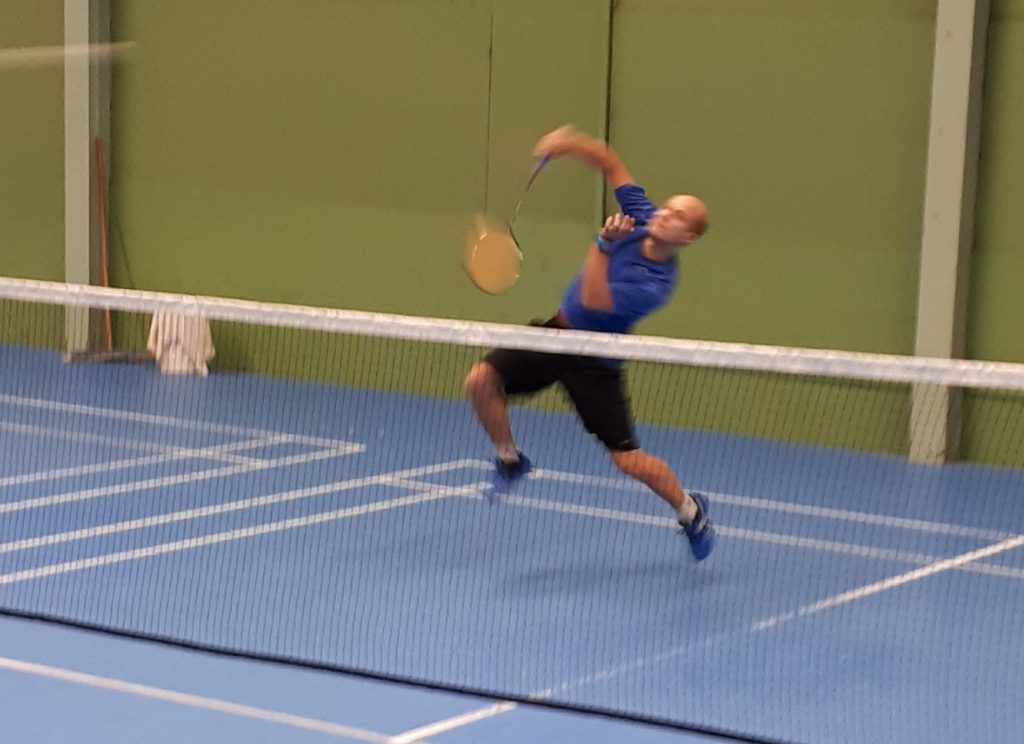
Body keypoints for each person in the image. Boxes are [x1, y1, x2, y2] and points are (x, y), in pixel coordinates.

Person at [463, 124, 715, 561]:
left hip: (596, 363)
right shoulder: (640, 214)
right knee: (480, 381)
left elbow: (594, 301)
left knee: (627, 460)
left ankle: (689, 511)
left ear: (687, 238)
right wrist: (568, 144)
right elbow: (610, 162)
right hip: (556, 334)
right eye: (668, 207)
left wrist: (602, 244)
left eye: (678, 217)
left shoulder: (655, 284)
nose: (664, 214)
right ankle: (510, 460)